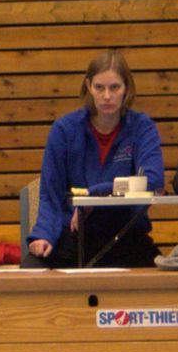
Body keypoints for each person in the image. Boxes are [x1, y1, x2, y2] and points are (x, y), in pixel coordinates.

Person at [27, 50, 164, 268]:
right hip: (74, 234)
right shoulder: (64, 130)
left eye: (114, 87)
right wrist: (43, 235)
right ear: (89, 86)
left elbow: (153, 181)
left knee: (162, 278)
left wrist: (96, 194)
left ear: (126, 88)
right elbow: (51, 194)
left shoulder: (142, 128)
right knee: (31, 268)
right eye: (99, 87)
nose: (107, 96)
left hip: (125, 235)